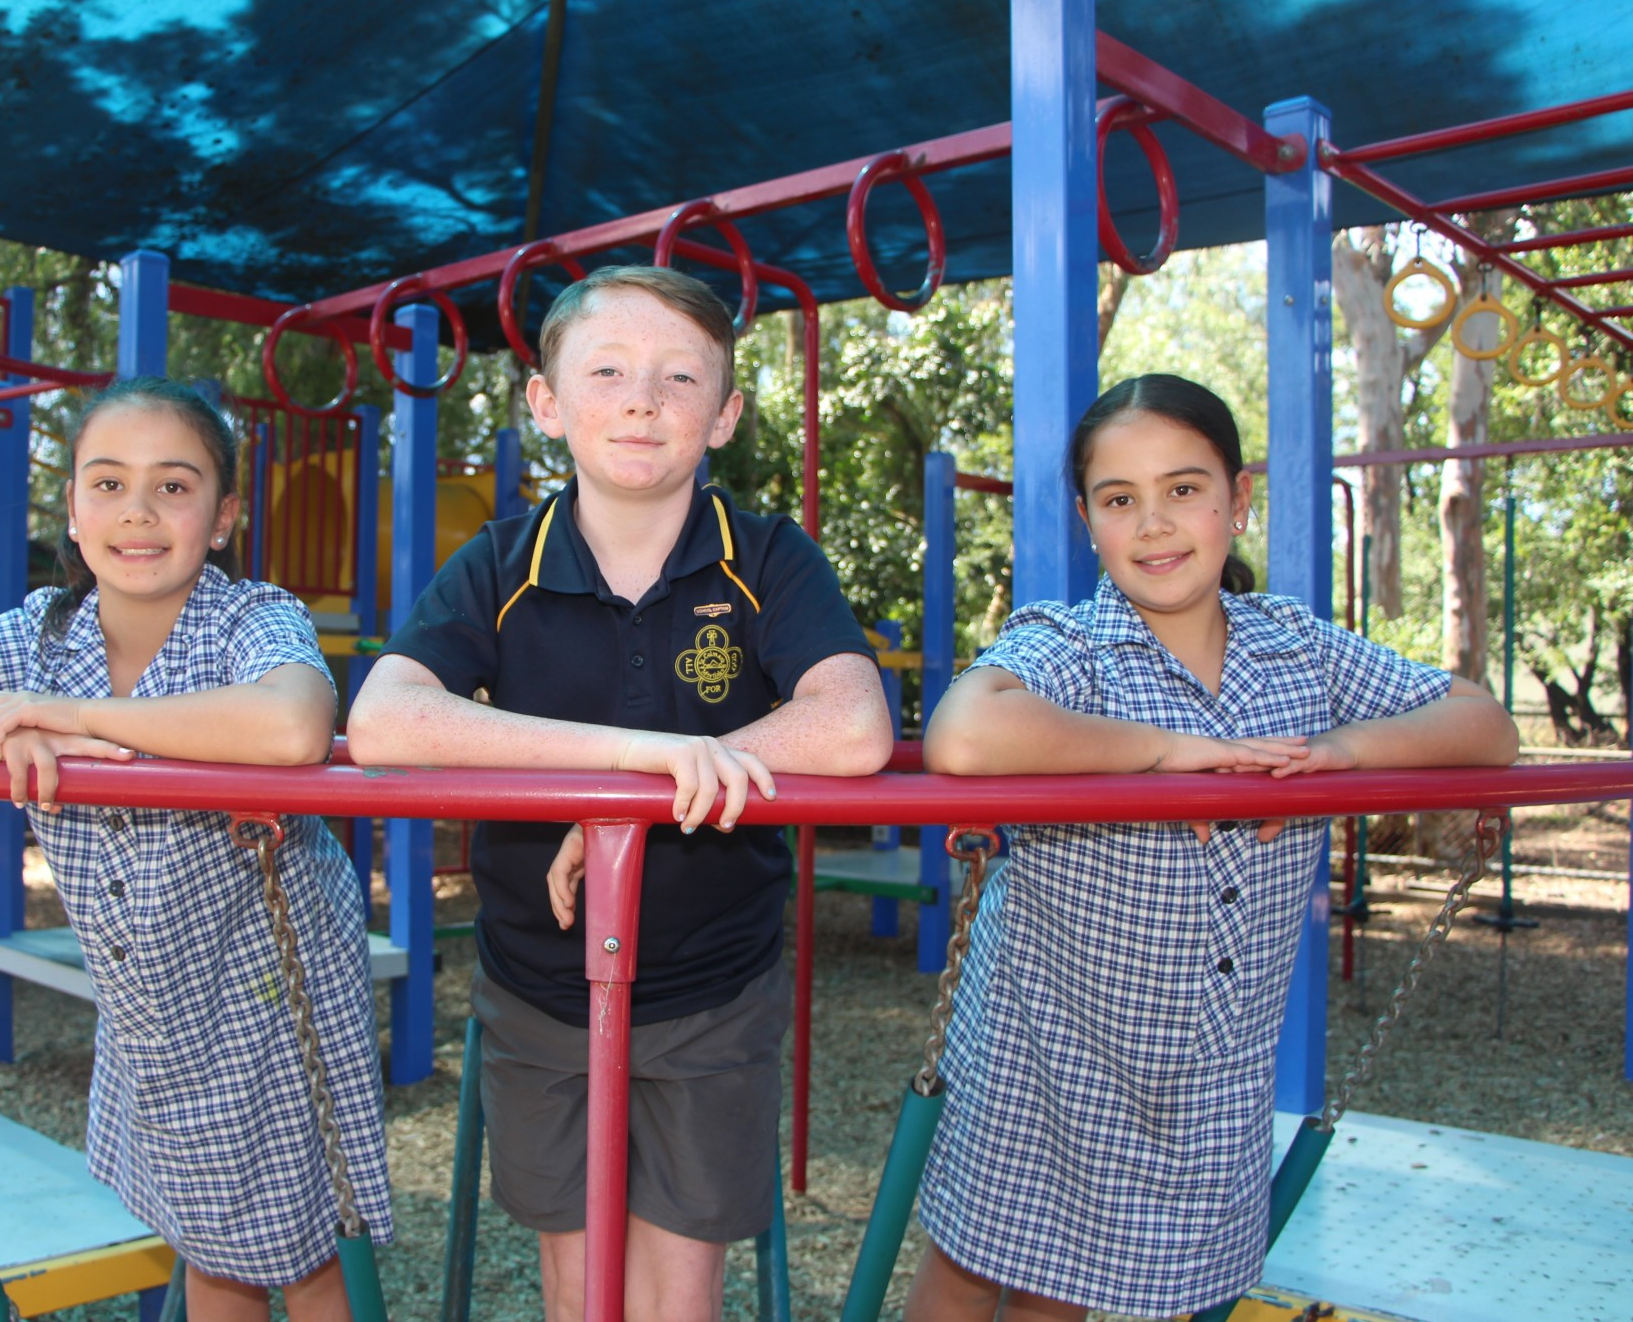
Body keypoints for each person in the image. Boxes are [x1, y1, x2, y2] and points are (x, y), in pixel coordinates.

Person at [906, 373, 1519, 1322]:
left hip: (1210, 1058)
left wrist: (1341, 756)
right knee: (988, 1265)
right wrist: (1165, 755)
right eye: (1120, 500)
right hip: (1052, 1041)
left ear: (1239, 499)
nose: (1154, 524)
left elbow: (1484, 723)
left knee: (1143, 1282)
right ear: (1088, 521)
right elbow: (964, 737)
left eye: (1184, 488)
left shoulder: (1298, 649)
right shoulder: (1073, 645)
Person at [347, 265, 893, 1322]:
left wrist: (641, 796)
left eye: (680, 377)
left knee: (677, 1284)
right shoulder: (502, 561)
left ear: (724, 415)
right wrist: (634, 765)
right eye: (607, 370)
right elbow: (382, 716)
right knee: (578, 1277)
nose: (644, 400)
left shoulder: (766, 557)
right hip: (541, 983)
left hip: (711, 985)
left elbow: (854, 721)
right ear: (544, 401)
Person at [0, 377, 389, 1322]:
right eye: (107, 484)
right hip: (148, 995)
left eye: (173, 487)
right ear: (71, 509)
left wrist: (64, 715)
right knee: (205, 1239)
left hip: (272, 985)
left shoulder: (248, 617)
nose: (137, 512)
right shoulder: (41, 633)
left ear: (223, 516)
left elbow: (291, 726)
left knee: (302, 1246)